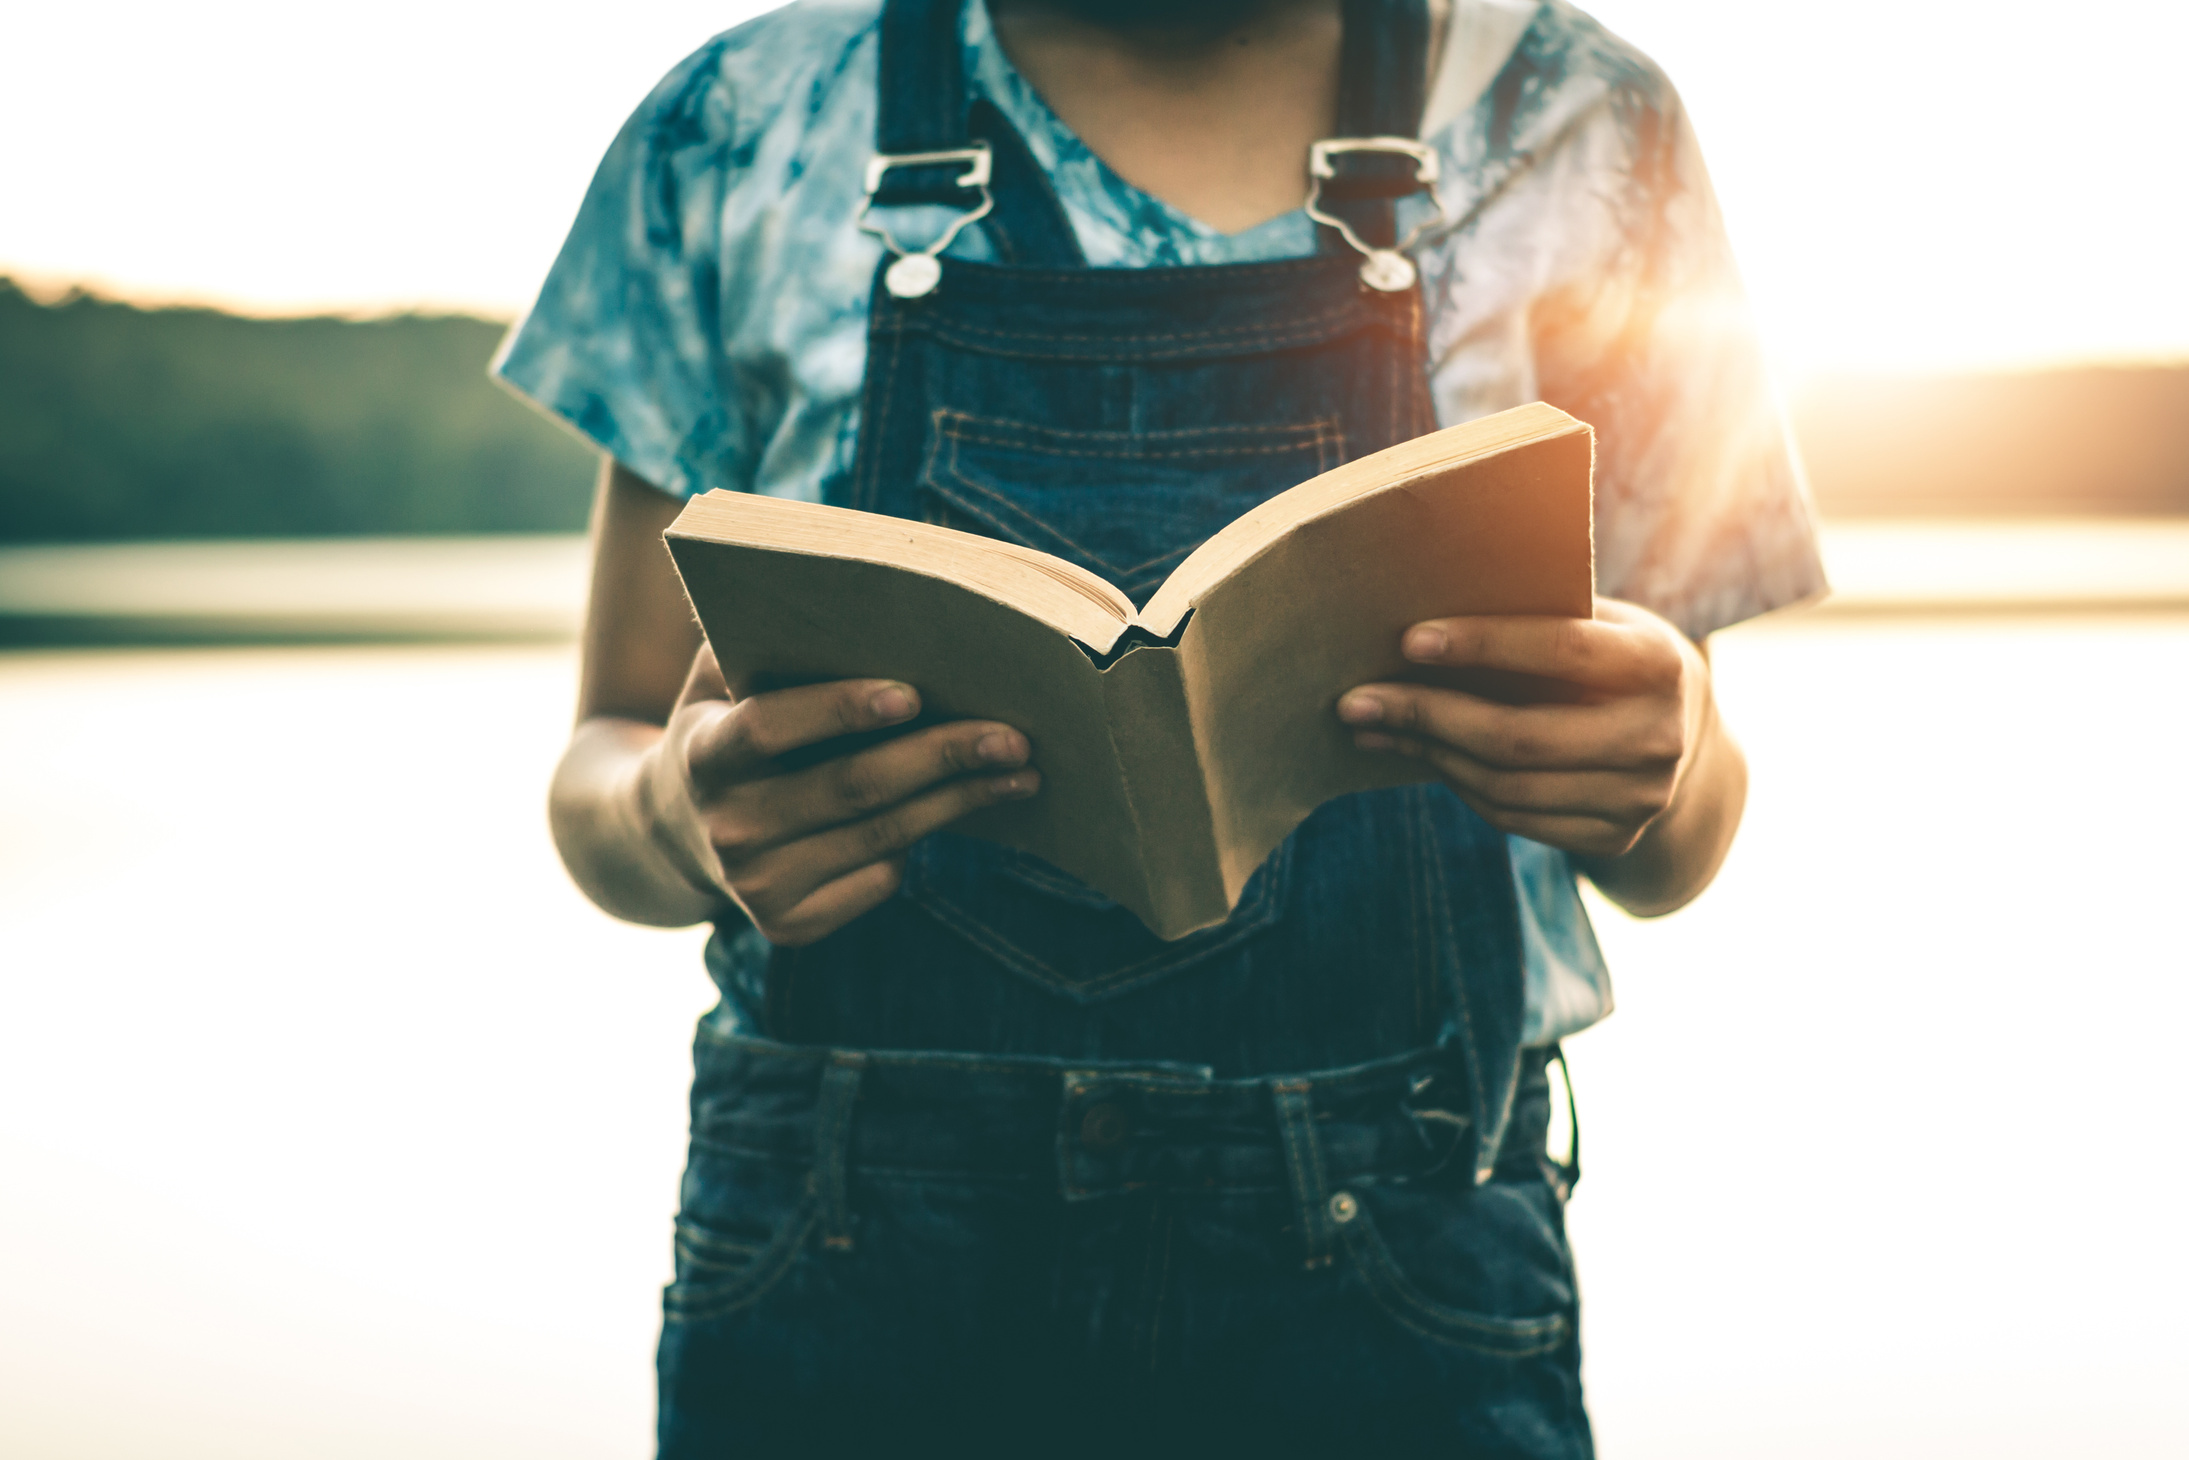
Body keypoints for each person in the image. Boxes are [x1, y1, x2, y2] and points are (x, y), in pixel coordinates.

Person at [495, 0, 1825, 1450]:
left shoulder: (1586, 118)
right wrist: (668, 818)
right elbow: (606, 760)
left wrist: (1673, 755)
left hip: (1399, 1250)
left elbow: (1675, 841)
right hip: (846, 1243)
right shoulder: (734, 119)